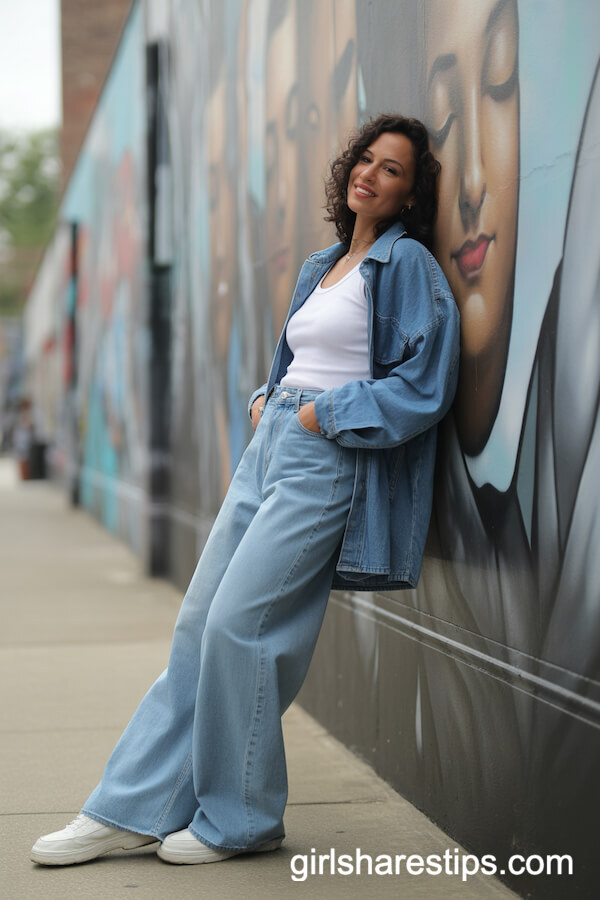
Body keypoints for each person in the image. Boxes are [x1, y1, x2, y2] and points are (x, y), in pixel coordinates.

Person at [31, 113, 460, 867]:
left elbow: (424, 387)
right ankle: (131, 809)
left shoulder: (410, 268)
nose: (371, 174)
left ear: (408, 194)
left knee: (241, 627)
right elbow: (301, 354)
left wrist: (326, 413)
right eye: (366, 158)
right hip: (272, 447)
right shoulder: (321, 265)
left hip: (329, 460)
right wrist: (272, 399)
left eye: (392, 169)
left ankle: (242, 817)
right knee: (198, 627)